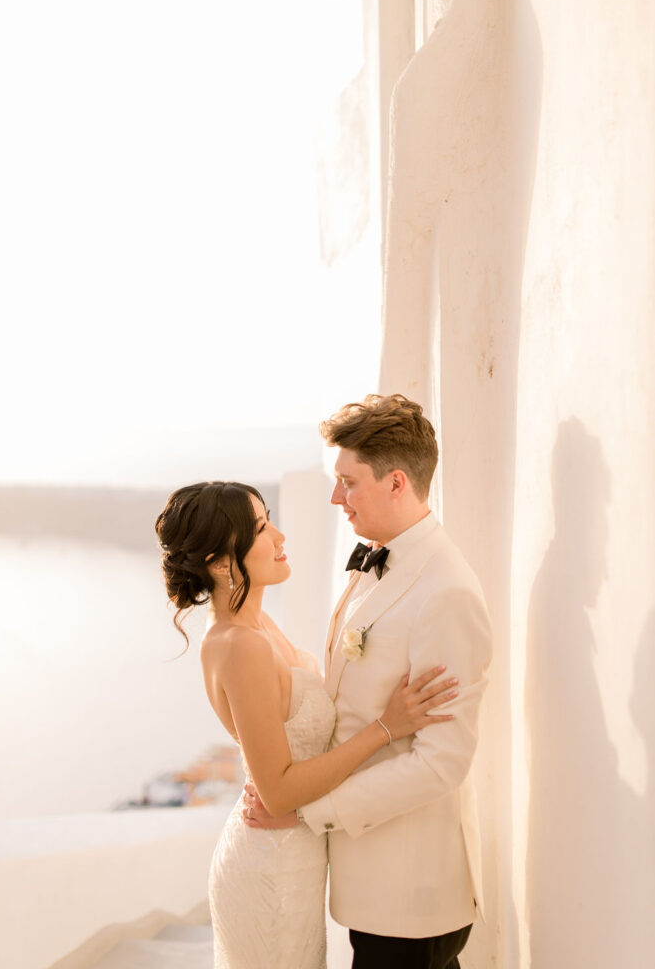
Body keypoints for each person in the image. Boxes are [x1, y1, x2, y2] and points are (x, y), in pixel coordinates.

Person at [154, 480, 460, 969]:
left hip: (295, 857)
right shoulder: (239, 645)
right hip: (270, 866)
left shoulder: (257, 625)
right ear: (220, 563)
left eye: (269, 519)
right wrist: (386, 727)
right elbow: (277, 792)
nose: (279, 536)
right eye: (260, 529)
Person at [244, 394, 493, 969]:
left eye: (348, 482)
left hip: (409, 891)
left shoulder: (446, 592)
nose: (337, 497)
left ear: (396, 482)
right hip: (376, 888)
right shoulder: (382, 561)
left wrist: (306, 811)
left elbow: (441, 764)